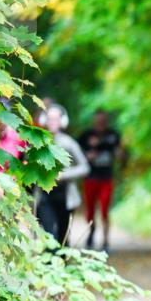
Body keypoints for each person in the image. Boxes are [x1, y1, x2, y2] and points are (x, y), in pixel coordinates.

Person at [34, 104, 89, 246]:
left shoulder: (69, 143)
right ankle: (49, 264)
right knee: (48, 235)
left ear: (63, 121)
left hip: (65, 197)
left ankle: (62, 264)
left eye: (56, 119)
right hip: (44, 195)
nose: (53, 122)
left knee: (64, 237)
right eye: (50, 119)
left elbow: (85, 167)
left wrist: (64, 175)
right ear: (44, 120)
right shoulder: (38, 141)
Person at [78, 110, 124, 252]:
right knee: (90, 211)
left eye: (103, 121)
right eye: (98, 121)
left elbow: (122, 154)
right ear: (94, 121)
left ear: (107, 121)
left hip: (106, 179)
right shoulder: (86, 136)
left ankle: (105, 241)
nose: (101, 124)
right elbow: (75, 154)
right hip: (90, 178)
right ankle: (91, 234)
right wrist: (87, 156)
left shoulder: (113, 135)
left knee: (105, 210)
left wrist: (120, 154)